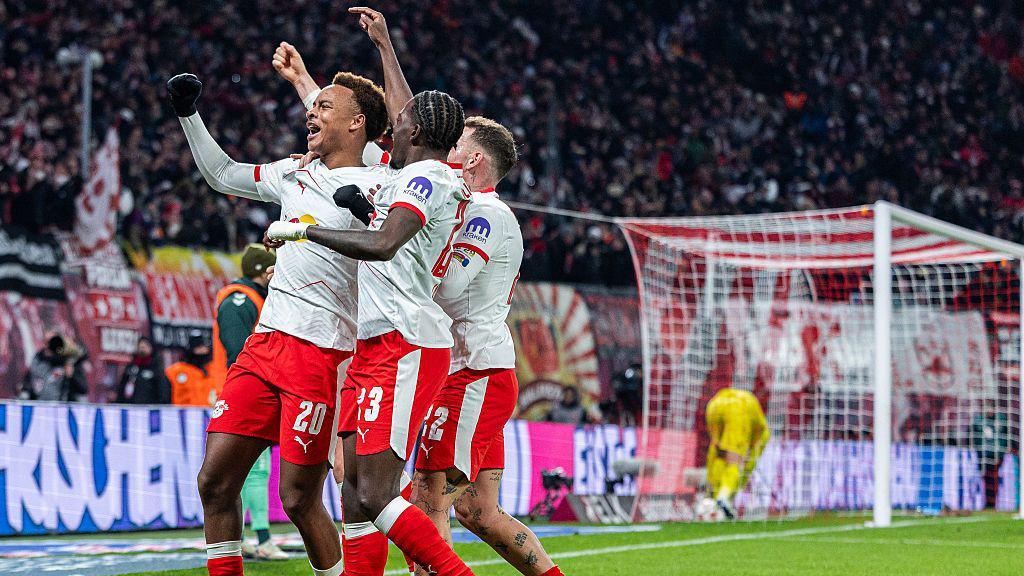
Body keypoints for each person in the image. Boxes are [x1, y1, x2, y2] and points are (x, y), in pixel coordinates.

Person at [267, 9, 474, 574]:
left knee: (377, 493)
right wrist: (380, 47)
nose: (393, 120)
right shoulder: (412, 171)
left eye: (401, 119)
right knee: (355, 495)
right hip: (377, 343)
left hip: (405, 343)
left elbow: (383, 243)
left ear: (414, 132)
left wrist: (304, 229)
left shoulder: (421, 176)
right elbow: (352, 128)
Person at [168, 58, 389, 576]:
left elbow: (382, 133)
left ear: (356, 124)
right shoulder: (294, 173)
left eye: (323, 109)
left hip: (323, 354)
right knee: (214, 482)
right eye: (310, 109)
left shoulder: (384, 183)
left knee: (297, 499)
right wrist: (188, 115)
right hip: (265, 347)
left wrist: (320, 77)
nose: (310, 115)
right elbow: (223, 174)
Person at [207, 244, 286, 561]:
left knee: (249, 470)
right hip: (241, 390)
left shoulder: (253, 298)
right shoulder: (240, 299)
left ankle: (243, 539)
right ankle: (262, 540)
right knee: (254, 469)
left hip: (244, 388)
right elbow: (237, 348)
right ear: (261, 271)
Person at [705, 387, 770, 519]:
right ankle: (723, 498)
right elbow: (746, 464)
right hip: (738, 408)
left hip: (715, 404)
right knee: (734, 462)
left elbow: (716, 453)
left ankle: (712, 498)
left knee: (719, 453)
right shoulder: (762, 434)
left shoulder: (757, 426)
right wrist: (739, 482)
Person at [21, 332, 87, 401]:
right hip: (42, 404)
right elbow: (29, 382)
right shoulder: (38, 360)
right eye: (46, 342)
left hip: (64, 404)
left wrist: (71, 376)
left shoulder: (70, 361)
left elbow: (83, 389)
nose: (50, 345)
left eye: (53, 341)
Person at [116, 336, 171, 404]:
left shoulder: (156, 368)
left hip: (149, 409)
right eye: (140, 347)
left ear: (151, 348)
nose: (142, 349)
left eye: (144, 347)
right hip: (131, 408)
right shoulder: (130, 367)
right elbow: (121, 388)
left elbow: (163, 391)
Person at [167, 330, 215, 407]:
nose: (202, 350)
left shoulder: (215, 369)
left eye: (204, 347)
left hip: (210, 414)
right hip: (184, 415)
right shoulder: (176, 370)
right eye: (198, 347)